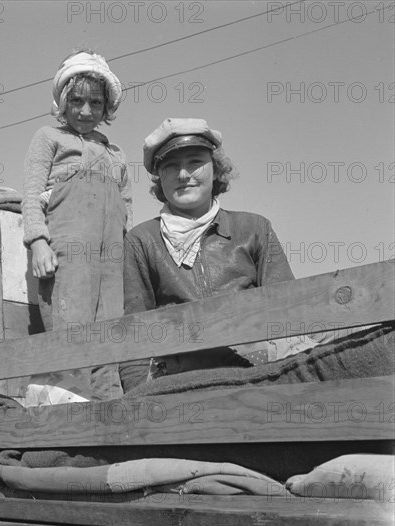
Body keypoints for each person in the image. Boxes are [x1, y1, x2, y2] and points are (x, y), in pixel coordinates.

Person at [120, 118, 317, 392]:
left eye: (195, 162)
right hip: (179, 387)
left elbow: (288, 314)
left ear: (216, 169)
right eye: (170, 166)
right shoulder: (141, 241)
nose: (183, 174)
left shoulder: (254, 228)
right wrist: (138, 401)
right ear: (159, 178)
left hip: (257, 379)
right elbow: (134, 333)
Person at [22, 50, 132, 403]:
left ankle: (108, 404)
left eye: (95, 103)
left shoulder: (116, 154)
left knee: (109, 327)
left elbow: (125, 208)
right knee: (72, 323)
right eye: (77, 101)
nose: (86, 111)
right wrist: (38, 241)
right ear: (63, 101)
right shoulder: (48, 138)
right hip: (68, 248)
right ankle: (65, 407)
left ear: (107, 107)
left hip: (110, 256)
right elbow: (31, 195)